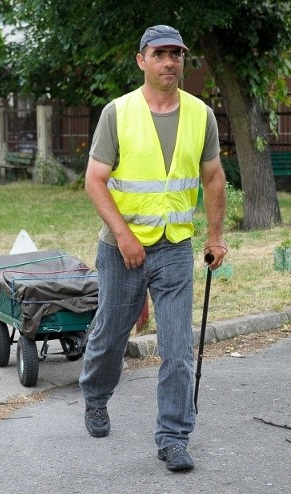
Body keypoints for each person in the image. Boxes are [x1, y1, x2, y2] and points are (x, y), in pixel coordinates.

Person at [79, 24, 227, 472]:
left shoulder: (201, 114)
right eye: (160, 54)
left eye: (177, 54)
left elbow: (214, 176)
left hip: (175, 248)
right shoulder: (117, 113)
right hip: (121, 249)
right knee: (110, 334)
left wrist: (216, 236)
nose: (170, 62)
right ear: (142, 60)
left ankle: (174, 436)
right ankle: (96, 396)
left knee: (178, 347)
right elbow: (94, 180)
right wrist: (124, 235)